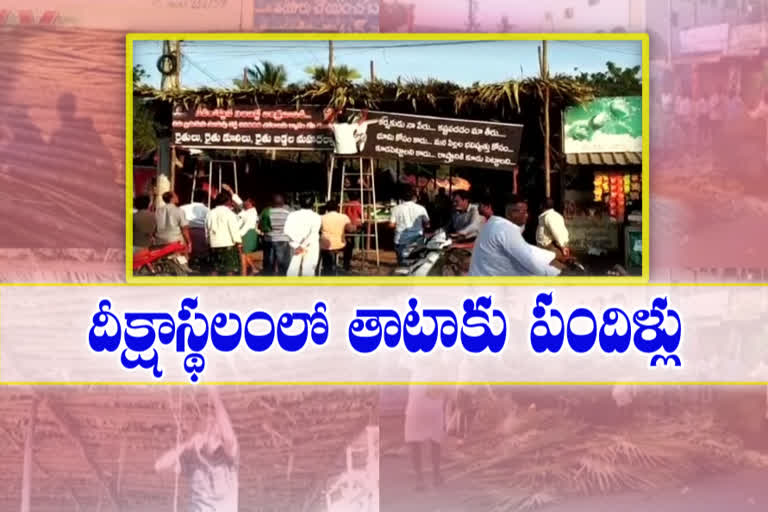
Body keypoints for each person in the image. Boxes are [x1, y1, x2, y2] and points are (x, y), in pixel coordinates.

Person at [154, 387, 239, 512]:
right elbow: (159, 466)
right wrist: (186, 444)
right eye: (206, 425)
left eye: (214, 425)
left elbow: (229, 438)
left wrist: (214, 395)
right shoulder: (191, 459)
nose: (210, 429)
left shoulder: (229, 457)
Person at [469, 196, 562, 277]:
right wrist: (559, 274)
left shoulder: (495, 223)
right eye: (524, 212)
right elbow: (531, 262)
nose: (527, 215)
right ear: (512, 213)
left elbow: (525, 248)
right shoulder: (505, 229)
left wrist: (553, 255)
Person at [389, 187, 430, 266]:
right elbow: (427, 224)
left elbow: (391, 225)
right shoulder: (421, 208)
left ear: (401, 198)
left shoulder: (395, 209)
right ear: (413, 197)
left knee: (402, 265)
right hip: (417, 240)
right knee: (416, 264)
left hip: (401, 241)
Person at [205, 191, 242, 276]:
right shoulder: (230, 213)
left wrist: (208, 242)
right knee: (229, 269)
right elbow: (234, 230)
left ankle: (212, 288)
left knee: (214, 269)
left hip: (213, 244)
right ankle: (228, 288)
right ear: (227, 201)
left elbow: (207, 229)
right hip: (228, 244)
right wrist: (239, 243)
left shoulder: (210, 213)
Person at [284, 195, 322, 277]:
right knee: (308, 272)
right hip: (311, 246)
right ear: (313, 204)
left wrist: (298, 245)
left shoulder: (292, 215)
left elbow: (286, 231)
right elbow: (313, 233)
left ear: (300, 203)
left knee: (292, 270)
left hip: (294, 246)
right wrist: (303, 246)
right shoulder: (317, 217)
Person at [260, 194, 292, 276]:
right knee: (282, 262)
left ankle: (269, 276)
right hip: (283, 239)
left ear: (272, 203)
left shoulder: (266, 212)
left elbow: (262, 227)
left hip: (269, 239)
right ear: (283, 203)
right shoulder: (288, 213)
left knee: (269, 261)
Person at [320, 200, 354, 276]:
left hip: (325, 246)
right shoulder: (344, 217)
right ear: (337, 208)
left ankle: (327, 271)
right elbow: (350, 229)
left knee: (327, 265)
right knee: (350, 245)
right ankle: (346, 264)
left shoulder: (321, 218)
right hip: (340, 245)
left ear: (327, 209)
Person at [180, 190, 210, 265]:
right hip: (201, 233)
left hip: (184, 233)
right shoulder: (207, 210)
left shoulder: (182, 208)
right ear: (204, 199)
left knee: (186, 255)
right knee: (202, 256)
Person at [343, 192, 363, 271]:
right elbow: (361, 215)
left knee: (348, 243)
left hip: (347, 225)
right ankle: (351, 258)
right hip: (355, 226)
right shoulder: (357, 204)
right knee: (353, 243)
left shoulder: (346, 204)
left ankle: (347, 261)